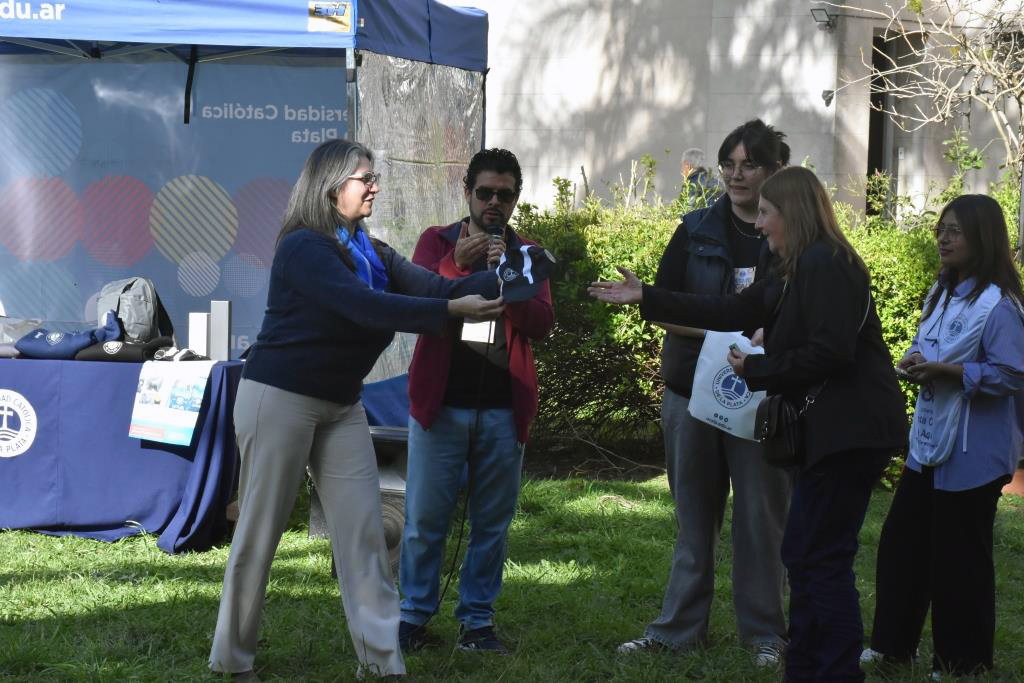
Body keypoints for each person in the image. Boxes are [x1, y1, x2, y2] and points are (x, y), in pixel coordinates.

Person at [589, 166, 908, 683]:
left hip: (849, 435)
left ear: (792, 213)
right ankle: (806, 668)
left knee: (819, 558)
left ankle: (833, 671)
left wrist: (757, 368)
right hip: (831, 435)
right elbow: (729, 307)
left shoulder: (828, 264)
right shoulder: (792, 268)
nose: (758, 224)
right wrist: (647, 296)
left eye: (765, 212)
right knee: (805, 553)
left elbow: (830, 352)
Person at [208, 139, 504, 681]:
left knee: (365, 534)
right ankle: (232, 659)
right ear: (331, 186)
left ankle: (383, 664)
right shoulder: (304, 246)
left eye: (372, 177)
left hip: (341, 402)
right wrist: (448, 310)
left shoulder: (369, 247)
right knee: (260, 531)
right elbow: (364, 307)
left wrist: (515, 274)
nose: (374, 186)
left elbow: (434, 286)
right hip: (280, 398)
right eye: (364, 178)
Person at [614, 119, 794, 667]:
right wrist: (726, 330)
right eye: (729, 164)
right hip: (690, 390)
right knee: (693, 519)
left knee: (762, 518)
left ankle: (766, 634)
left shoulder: (791, 238)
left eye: (750, 165)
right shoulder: (694, 229)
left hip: (760, 396)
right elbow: (665, 305)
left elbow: (798, 317)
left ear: (774, 171)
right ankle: (676, 631)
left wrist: (759, 336)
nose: (737, 176)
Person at [398, 148, 554, 653]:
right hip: (440, 405)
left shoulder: (527, 252)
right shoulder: (435, 241)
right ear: (466, 192)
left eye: (504, 195)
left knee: (491, 524)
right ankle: (413, 617)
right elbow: (419, 307)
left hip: (503, 409)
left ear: (516, 199)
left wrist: (509, 276)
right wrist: (455, 266)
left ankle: (477, 622)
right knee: (424, 519)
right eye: (484, 192)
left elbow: (542, 324)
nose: (493, 203)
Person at [862, 194, 1024, 677]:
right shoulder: (942, 291)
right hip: (930, 444)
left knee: (960, 558)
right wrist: (916, 359)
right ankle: (893, 647)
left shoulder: (1002, 305)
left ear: (983, 237)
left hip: (974, 451)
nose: (943, 238)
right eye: (941, 229)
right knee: (902, 545)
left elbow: (1012, 374)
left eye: (954, 231)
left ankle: (962, 661)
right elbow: (925, 342)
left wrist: (950, 371)